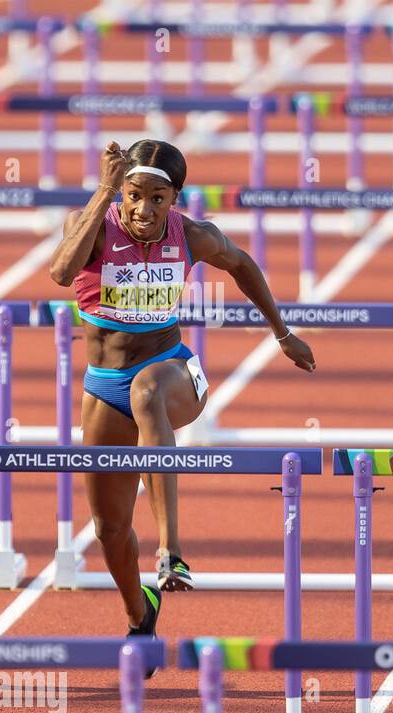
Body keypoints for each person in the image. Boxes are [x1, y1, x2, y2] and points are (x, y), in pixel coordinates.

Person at [49, 140, 315, 664]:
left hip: (174, 373)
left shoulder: (193, 235)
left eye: (158, 198)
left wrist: (283, 334)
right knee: (108, 528)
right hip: (104, 381)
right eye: (133, 195)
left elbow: (242, 266)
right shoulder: (93, 225)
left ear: (175, 200)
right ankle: (139, 612)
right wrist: (104, 191)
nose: (143, 210)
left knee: (148, 393)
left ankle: (171, 551)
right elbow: (61, 272)